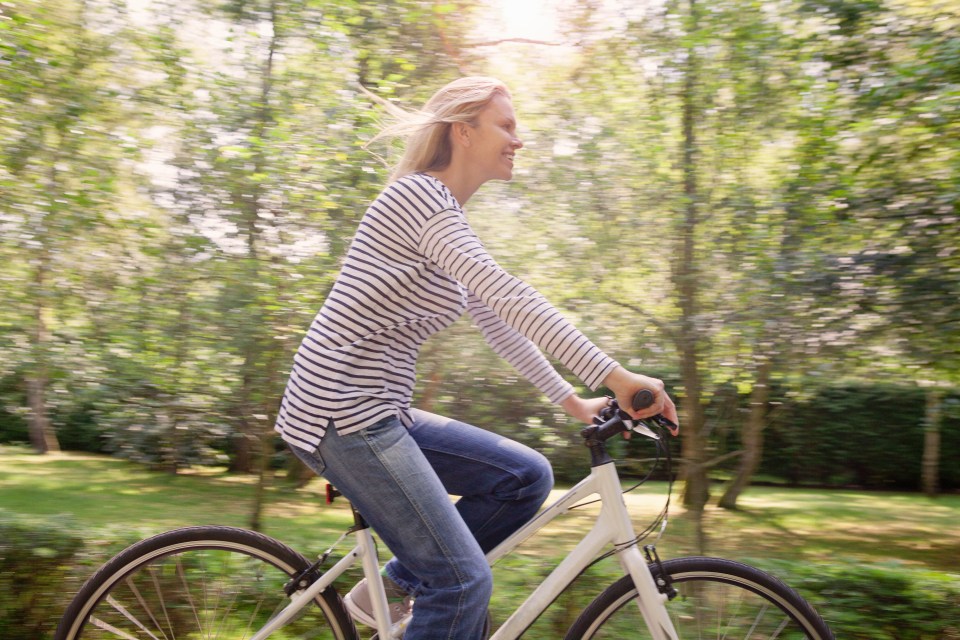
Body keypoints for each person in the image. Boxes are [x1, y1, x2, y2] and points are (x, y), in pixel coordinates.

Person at [273, 76, 679, 640]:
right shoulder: (418, 198)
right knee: (462, 582)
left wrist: (574, 400)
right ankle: (419, 589)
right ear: (463, 132)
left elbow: (499, 318)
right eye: (506, 126)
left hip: (379, 412)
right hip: (342, 414)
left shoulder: (448, 219)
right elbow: (508, 292)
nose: (519, 139)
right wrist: (616, 376)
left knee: (524, 476)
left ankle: (390, 588)